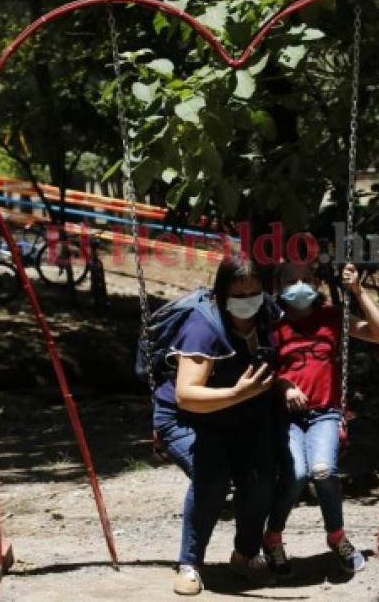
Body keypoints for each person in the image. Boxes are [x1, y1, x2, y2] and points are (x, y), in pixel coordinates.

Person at [152, 254, 280, 595]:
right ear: (222, 295)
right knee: (213, 476)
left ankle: (245, 554)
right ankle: (189, 563)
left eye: (254, 292)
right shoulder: (203, 326)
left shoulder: (267, 316)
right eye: (239, 295)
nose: (248, 301)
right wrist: (239, 392)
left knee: (261, 479)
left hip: (238, 417)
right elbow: (186, 395)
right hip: (184, 418)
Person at [264, 259, 379, 577]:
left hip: (325, 413)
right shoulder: (272, 326)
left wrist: (358, 291)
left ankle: (336, 536)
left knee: (322, 470)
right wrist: (284, 385)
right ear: (280, 288)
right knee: (295, 475)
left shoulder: (331, 318)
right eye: (293, 280)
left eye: (308, 278)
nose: (302, 285)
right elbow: (262, 372)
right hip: (288, 418)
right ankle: (273, 538)